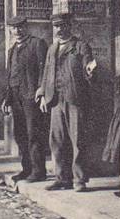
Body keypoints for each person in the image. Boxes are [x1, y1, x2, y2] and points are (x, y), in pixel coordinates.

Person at [36, 13, 96, 192]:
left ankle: (79, 180)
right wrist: (42, 94)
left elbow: (88, 65)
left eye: (63, 25)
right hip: (55, 99)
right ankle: (62, 179)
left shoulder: (80, 46)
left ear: (70, 26)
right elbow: (46, 73)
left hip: (74, 98)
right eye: (56, 26)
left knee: (77, 140)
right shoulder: (52, 49)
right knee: (57, 140)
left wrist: (90, 70)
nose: (60, 29)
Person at [1, 16, 49, 182]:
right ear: (10, 30)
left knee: (33, 133)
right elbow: (10, 76)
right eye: (14, 28)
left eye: (20, 27)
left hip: (31, 96)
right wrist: (7, 98)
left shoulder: (37, 44)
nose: (17, 31)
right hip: (16, 97)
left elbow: (45, 69)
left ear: (26, 27)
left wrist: (41, 90)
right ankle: (26, 169)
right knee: (20, 134)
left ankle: (38, 171)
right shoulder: (12, 49)